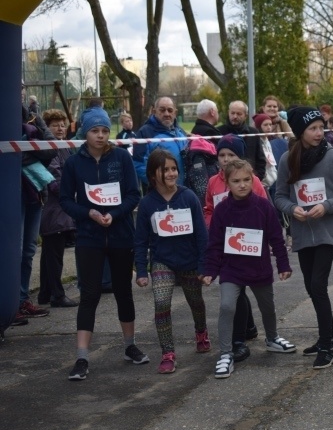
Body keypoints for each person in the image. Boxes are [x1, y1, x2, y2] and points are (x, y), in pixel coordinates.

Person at [60, 108, 146, 380]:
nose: (100, 135)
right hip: (89, 236)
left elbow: (134, 194)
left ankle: (129, 346)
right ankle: (82, 358)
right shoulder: (74, 163)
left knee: (123, 291)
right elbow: (65, 200)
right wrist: (89, 214)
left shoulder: (121, 157)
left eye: (105, 130)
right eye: (95, 130)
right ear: (85, 133)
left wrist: (115, 214)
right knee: (89, 295)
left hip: (120, 234)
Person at [274, 107, 333, 369]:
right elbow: (279, 196)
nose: (320, 133)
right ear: (300, 132)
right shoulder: (288, 159)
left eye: (322, 127)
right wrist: (292, 209)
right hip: (302, 232)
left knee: (318, 285)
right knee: (310, 286)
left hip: (327, 231)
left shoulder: (332, 157)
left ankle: (325, 345)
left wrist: (327, 206)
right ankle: (331, 335)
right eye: (313, 128)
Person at [202, 159, 292, 379]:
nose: (242, 185)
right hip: (231, 270)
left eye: (246, 180)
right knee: (226, 306)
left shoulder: (263, 207)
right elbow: (214, 244)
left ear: (253, 179)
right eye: (236, 181)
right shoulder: (222, 210)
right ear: (227, 182)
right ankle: (225, 353)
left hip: (259, 268)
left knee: (267, 306)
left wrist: (283, 264)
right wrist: (209, 271)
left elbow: (276, 239)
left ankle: (272, 338)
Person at [134, 149, 210, 374]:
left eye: (173, 169)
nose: (170, 173)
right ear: (152, 174)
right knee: (161, 303)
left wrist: (204, 266)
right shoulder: (147, 203)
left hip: (190, 261)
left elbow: (202, 235)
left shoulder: (188, 197)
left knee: (195, 301)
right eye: (164, 169)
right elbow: (140, 241)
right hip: (162, 262)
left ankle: (201, 332)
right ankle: (168, 353)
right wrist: (140, 270)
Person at [18, 104, 57, 325]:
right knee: (14, 250)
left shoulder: (30, 120)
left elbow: (49, 150)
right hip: (14, 194)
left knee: (28, 249)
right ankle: (9, 303)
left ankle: (21, 299)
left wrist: (39, 121)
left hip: (33, 193)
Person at [37, 109, 78, 308]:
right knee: (55, 256)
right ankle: (57, 295)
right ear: (47, 128)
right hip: (54, 209)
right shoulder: (51, 149)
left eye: (62, 124)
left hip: (59, 208)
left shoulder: (64, 147)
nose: (60, 128)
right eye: (55, 125)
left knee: (49, 255)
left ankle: (45, 293)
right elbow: (55, 178)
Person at [132, 97, 188, 189]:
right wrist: (159, 184)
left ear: (175, 113)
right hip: (159, 193)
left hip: (182, 191)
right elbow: (139, 164)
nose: (166, 114)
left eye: (170, 110)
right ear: (154, 111)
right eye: (162, 110)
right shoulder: (145, 132)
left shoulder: (181, 132)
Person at [219, 101, 267, 180]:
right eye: (232, 113)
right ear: (228, 113)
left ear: (245, 116)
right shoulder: (219, 132)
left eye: (239, 114)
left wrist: (255, 179)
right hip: (224, 181)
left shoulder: (253, 133)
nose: (235, 116)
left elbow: (261, 160)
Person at [253, 113, 279, 191]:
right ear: (258, 126)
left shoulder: (267, 140)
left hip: (273, 181)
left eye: (270, 125)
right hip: (263, 183)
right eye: (265, 125)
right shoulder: (255, 142)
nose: (269, 127)